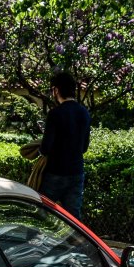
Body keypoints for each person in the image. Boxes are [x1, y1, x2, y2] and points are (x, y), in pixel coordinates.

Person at [38, 71, 91, 218]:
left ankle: (35, 241)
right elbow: (84, 148)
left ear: (55, 90)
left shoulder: (55, 114)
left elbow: (45, 149)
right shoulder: (84, 113)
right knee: (73, 218)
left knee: (41, 213)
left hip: (55, 172)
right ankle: (75, 241)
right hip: (76, 172)